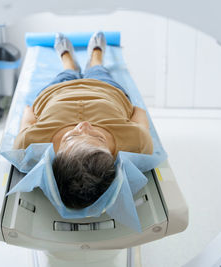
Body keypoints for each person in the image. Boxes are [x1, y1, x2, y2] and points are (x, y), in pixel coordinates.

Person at [14, 32, 153, 209]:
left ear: (55, 159)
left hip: (57, 91)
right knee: (97, 70)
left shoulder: (29, 145)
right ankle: (96, 55)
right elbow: (139, 111)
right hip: (105, 89)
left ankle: (68, 61)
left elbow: (28, 115)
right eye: (100, 138)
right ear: (112, 158)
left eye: (70, 138)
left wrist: (34, 114)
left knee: (67, 72)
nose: (85, 126)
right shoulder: (137, 143)